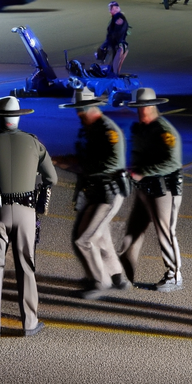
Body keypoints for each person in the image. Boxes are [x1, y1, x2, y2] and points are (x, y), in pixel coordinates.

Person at [0, 95, 58, 341]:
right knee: (26, 267)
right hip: (27, 211)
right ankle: (29, 322)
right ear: (18, 117)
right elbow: (52, 178)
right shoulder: (33, 143)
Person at [60, 86, 128, 299]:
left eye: (81, 110)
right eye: (77, 110)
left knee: (84, 239)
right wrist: (66, 160)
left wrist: (71, 164)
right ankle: (117, 276)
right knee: (101, 238)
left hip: (108, 192)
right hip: (96, 191)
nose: (78, 114)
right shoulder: (89, 129)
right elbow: (84, 158)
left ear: (92, 108)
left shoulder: (108, 131)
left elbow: (107, 165)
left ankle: (99, 281)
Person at [115, 88, 184, 292]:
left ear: (152, 107)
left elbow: (172, 163)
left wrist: (143, 171)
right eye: (137, 108)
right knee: (133, 230)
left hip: (165, 188)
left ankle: (174, 275)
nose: (140, 111)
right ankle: (123, 273)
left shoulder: (164, 131)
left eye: (143, 107)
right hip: (145, 187)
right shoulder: (138, 129)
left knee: (166, 232)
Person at [99, 1, 130, 75]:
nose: (110, 10)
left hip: (119, 47)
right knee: (115, 69)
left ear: (116, 9)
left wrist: (104, 46)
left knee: (113, 70)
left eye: (111, 8)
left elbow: (114, 33)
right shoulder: (118, 17)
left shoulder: (118, 17)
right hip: (121, 46)